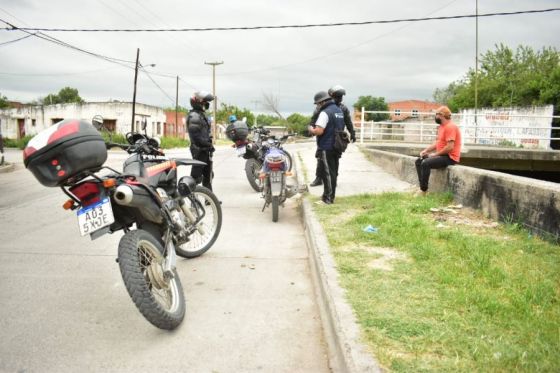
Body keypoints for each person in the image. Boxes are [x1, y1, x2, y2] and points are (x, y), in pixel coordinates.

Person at [309, 85, 356, 187]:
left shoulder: (343, 108)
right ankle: (319, 178)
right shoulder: (322, 107)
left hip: (338, 138)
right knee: (321, 157)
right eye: (337, 96)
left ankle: (333, 179)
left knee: (335, 159)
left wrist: (352, 133)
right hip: (324, 137)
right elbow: (313, 120)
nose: (339, 99)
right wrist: (311, 130)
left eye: (341, 96)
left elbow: (348, 122)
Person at [414, 105, 462, 196]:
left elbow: (450, 147)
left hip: (450, 157)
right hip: (442, 155)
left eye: (436, 115)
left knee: (426, 163)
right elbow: (438, 143)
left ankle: (423, 191)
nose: (435, 117)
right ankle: (422, 186)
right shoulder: (441, 127)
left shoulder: (450, 127)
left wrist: (435, 155)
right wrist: (426, 150)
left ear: (441, 115)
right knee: (419, 161)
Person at [308, 91, 345, 204]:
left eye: (318, 104)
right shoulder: (339, 110)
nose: (317, 106)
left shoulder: (325, 113)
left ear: (323, 102)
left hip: (327, 146)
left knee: (327, 173)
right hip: (337, 145)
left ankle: (328, 199)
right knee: (332, 172)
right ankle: (326, 195)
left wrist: (311, 129)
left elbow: (319, 131)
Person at [187, 91, 215, 191]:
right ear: (197, 103)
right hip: (199, 150)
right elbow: (196, 137)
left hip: (205, 149)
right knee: (196, 177)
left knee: (208, 175)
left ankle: (210, 198)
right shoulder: (194, 116)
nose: (206, 105)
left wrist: (209, 142)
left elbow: (205, 133)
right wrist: (208, 145)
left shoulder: (201, 115)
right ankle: (192, 199)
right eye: (204, 103)